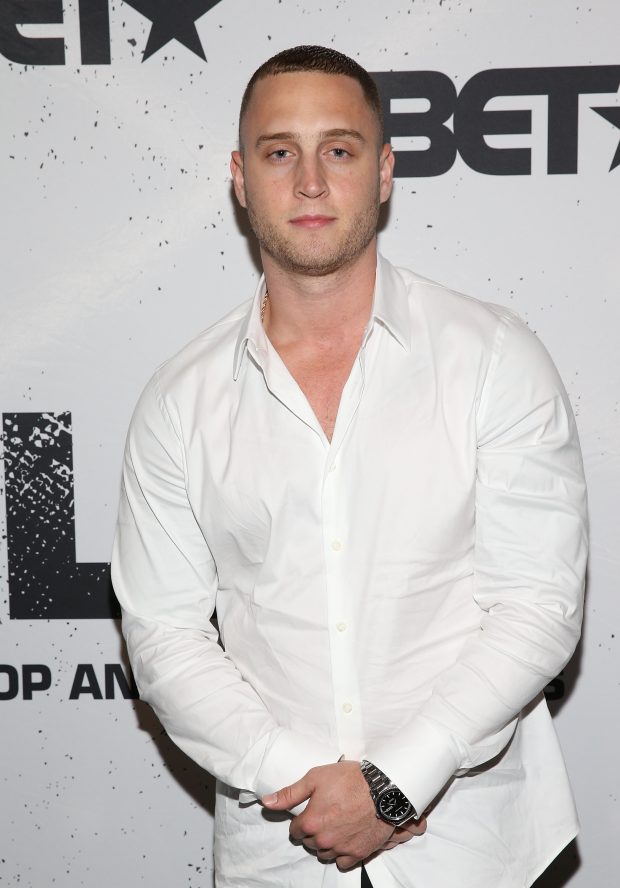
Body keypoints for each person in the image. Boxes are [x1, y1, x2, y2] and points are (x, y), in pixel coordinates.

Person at [111, 45, 588, 888]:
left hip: (476, 850)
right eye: (278, 151)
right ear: (239, 176)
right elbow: (164, 633)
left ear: (384, 172)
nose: (308, 182)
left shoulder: (493, 357)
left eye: (338, 149)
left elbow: (537, 605)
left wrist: (394, 784)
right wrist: (301, 786)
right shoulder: (178, 400)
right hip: (278, 850)